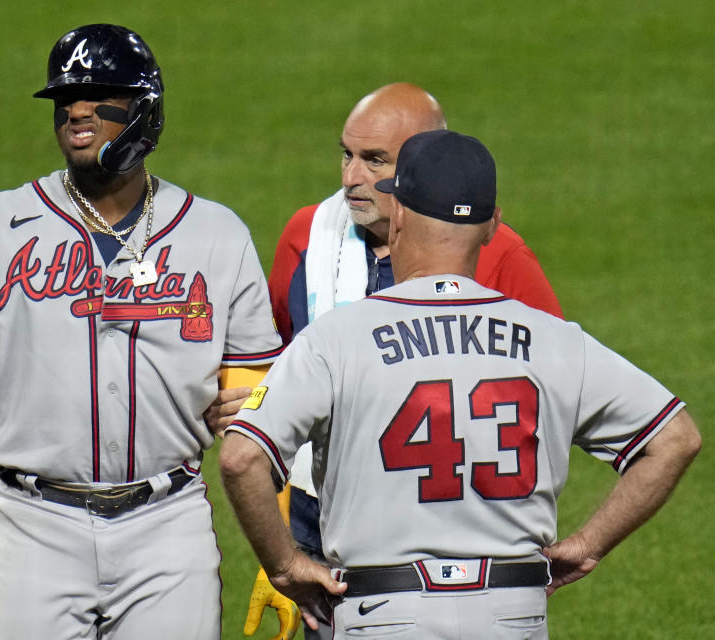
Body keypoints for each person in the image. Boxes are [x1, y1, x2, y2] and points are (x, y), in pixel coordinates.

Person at [219, 129, 701, 639]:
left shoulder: (334, 340)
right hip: (513, 613)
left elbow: (240, 457)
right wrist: (588, 545)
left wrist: (286, 565)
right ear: (493, 226)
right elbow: (676, 438)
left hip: (385, 614)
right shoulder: (556, 341)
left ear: (399, 215)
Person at [0, 24, 282, 639]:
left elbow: (257, 403)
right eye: (64, 97)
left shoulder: (218, 235)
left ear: (144, 111)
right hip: (35, 526)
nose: (75, 108)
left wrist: (277, 547)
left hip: (168, 528)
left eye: (99, 93)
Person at [237, 83, 563, 640]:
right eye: (347, 154)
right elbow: (278, 377)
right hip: (323, 520)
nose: (350, 179)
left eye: (374, 161)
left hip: (450, 528)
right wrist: (280, 547)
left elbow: (547, 394)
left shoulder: (499, 254)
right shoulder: (306, 236)